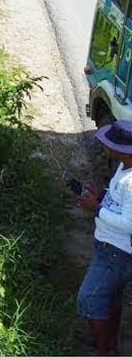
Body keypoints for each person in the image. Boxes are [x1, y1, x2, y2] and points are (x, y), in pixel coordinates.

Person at [76, 119, 132, 355]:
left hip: (117, 252)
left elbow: (128, 223)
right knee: (110, 296)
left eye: (112, 145)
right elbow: (122, 205)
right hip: (109, 246)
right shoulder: (124, 166)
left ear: (123, 150)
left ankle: (104, 351)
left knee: (88, 299)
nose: (107, 148)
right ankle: (110, 340)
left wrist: (96, 209)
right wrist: (103, 196)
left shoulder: (131, 182)